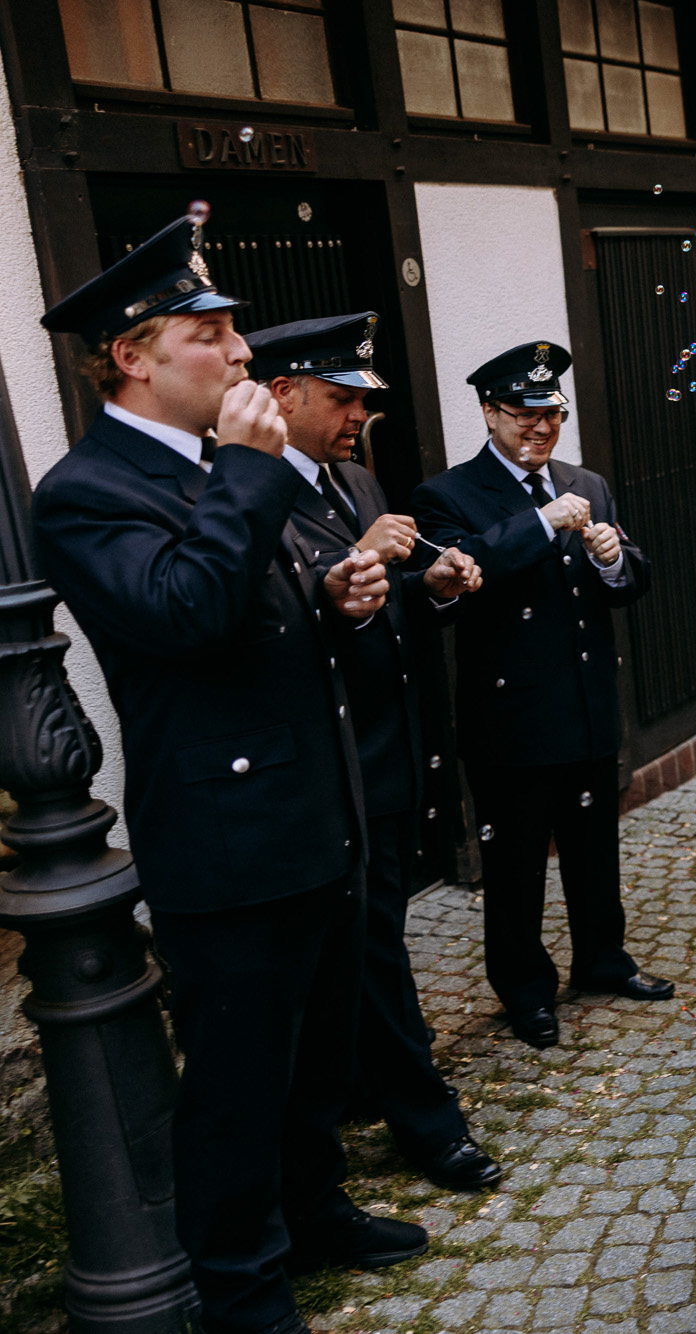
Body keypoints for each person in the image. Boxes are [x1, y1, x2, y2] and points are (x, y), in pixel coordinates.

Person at [33, 213, 424, 1334]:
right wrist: (252, 476)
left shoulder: (218, 465)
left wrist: (334, 603)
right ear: (134, 355)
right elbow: (183, 612)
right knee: (238, 1089)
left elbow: (257, 617)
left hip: (314, 815)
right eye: (211, 332)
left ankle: (316, 1214)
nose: (244, 353)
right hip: (228, 844)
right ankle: (246, 1288)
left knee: (313, 1062)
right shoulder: (87, 490)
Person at [246, 313, 500, 1193]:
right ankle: (429, 1125)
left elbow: (374, 602)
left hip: (390, 759)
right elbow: (280, 622)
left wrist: (427, 586)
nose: (358, 413)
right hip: (326, 771)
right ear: (282, 393)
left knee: (372, 944)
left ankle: (357, 1088)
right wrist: (360, 563)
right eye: (341, 396)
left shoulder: (350, 478)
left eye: (363, 398)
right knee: (378, 957)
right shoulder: (252, 496)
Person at [411, 341, 669, 1050]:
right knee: (517, 861)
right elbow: (458, 582)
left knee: (595, 845)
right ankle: (525, 988)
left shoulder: (585, 480)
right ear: (490, 414)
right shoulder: (448, 495)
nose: (540, 429)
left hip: (585, 698)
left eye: (551, 415)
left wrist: (617, 561)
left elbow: (629, 582)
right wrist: (540, 524)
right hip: (512, 714)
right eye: (524, 416)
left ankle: (602, 958)